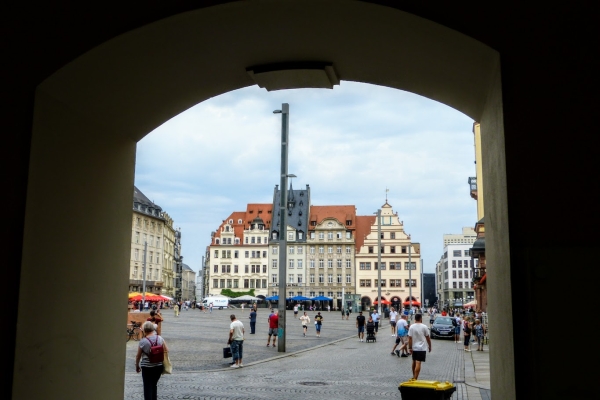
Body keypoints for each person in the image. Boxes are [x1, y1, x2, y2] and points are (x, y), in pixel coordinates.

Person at [135, 321, 168, 400]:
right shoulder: (160, 338)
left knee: (147, 387)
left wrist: (137, 366)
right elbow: (166, 350)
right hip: (158, 366)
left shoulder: (143, 341)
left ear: (144, 330)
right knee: (154, 385)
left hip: (147, 367)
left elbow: (138, 356)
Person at [407, 313, 432, 380]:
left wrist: (410, 347)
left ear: (415, 319)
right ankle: (415, 378)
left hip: (414, 347)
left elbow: (409, 338)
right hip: (422, 348)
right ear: (421, 319)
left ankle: (413, 375)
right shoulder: (424, 327)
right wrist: (430, 346)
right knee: (418, 362)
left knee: (414, 361)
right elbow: (428, 338)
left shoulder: (412, 327)